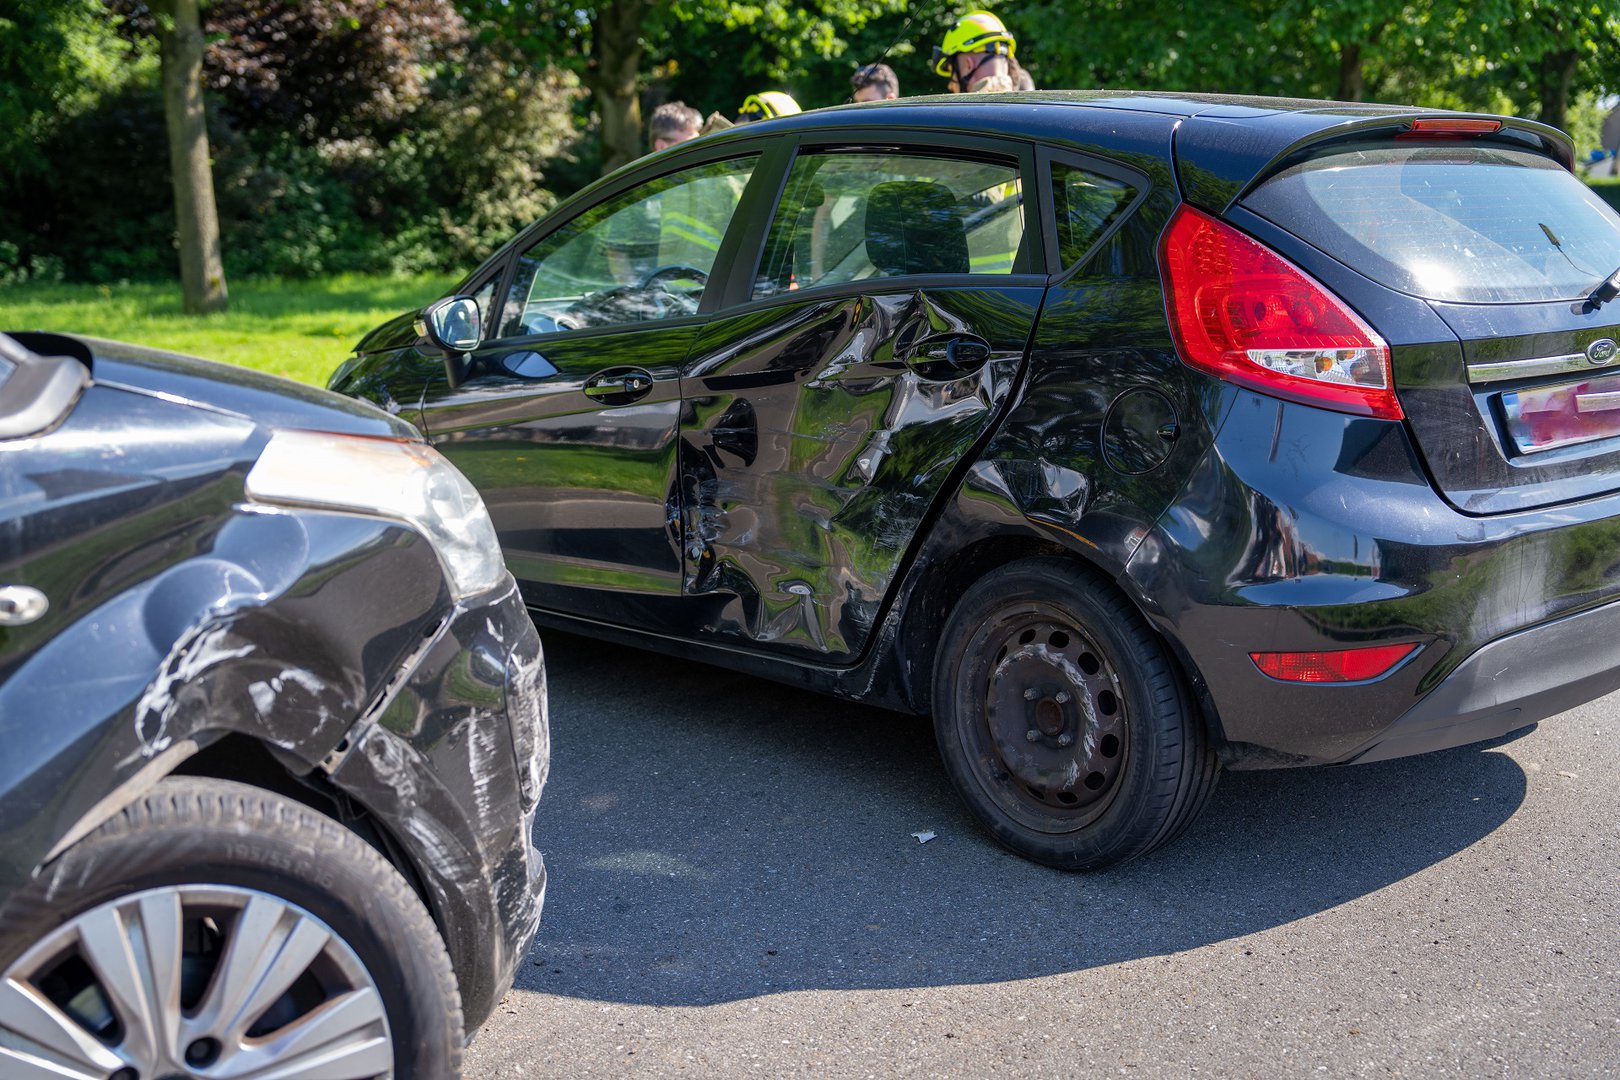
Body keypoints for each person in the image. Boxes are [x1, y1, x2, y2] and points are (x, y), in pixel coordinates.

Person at [932, 11, 1033, 94]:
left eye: (953, 74)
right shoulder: (1036, 106)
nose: (950, 85)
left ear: (968, 65)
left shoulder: (968, 115)